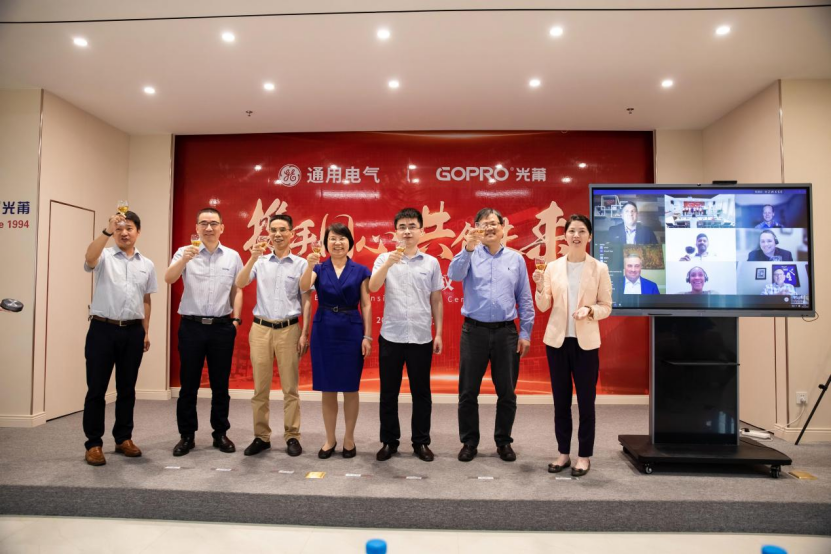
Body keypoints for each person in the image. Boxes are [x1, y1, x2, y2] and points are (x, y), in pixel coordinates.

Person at [447, 208, 533, 463]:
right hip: (474, 331)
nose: (489, 228)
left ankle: (503, 442)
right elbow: (454, 275)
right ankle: (469, 442)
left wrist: (525, 332)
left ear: (503, 227)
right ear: (476, 228)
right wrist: (468, 248)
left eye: (493, 223)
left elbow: (525, 298)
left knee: (507, 392)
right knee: (467, 392)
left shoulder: (516, 259)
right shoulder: (470, 254)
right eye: (483, 224)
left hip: (506, 332)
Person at [533, 214, 612, 477]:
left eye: (581, 231)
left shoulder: (599, 268)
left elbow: (606, 306)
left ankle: (584, 456)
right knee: (561, 401)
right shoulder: (553, 267)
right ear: (565, 236)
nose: (576, 235)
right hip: (557, 342)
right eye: (571, 231)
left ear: (589, 236)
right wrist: (539, 286)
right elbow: (544, 305)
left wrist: (589, 310)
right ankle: (563, 453)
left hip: (586, 344)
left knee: (586, 402)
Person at [164, 208, 243, 457]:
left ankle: (220, 433)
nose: (209, 228)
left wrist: (236, 320)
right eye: (204, 223)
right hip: (192, 326)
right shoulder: (184, 252)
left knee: (220, 385)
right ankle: (187, 435)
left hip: (221, 327)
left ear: (222, 228)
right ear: (196, 228)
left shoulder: (232, 256)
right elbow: (168, 278)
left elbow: (238, 288)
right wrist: (184, 260)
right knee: (189, 385)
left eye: (213, 223)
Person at [82, 210, 157, 466]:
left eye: (129, 228)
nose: (124, 233)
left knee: (127, 388)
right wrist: (105, 230)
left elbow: (146, 299)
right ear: (114, 232)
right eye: (119, 229)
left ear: (138, 232)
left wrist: (146, 331)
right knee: (96, 389)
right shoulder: (103, 256)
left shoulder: (147, 264)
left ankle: (123, 438)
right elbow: (89, 258)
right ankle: (93, 443)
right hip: (102, 330)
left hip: (133, 331)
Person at [368, 208, 443, 463]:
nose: (407, 231)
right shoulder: (384, 258)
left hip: (421, 337)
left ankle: (421, 442)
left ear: (421, 230)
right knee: (389, 393)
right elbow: (373, 287)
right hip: (392, 335)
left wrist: (439, 332)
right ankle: (389, 441)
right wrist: (389, 263)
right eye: (402, 227)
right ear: (395, 231)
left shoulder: (431, 263)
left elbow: (436, 299)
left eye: (412, 226)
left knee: (421, 393)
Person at [235, 214, 311, 457]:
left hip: (289, 329)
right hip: (261, 329)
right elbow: (240, 282)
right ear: (268, 233)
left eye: (282, 230)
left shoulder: (301, 264)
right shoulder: (260, 261)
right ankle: (261, 436)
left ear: (291, 234)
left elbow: (306, 299)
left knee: (291, 388)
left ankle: (292, 435)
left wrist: (304, 333)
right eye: (273, 230)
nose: (277, 234)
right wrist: (251, 258)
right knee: (260, 389)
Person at [300, 223, 372, 459]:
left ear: (350, 242)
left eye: (342, 238)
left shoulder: (360, 270)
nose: (337, 243)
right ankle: (330, 439)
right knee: (328, 389)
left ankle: (349, 439)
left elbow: (366, 304)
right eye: (332, 239)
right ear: (326, 243)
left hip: (351, 329)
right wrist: (309, 265)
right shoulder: (318, 268)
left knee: (351, 388)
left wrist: (367, 336)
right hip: (324, 329)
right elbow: (303, 287)